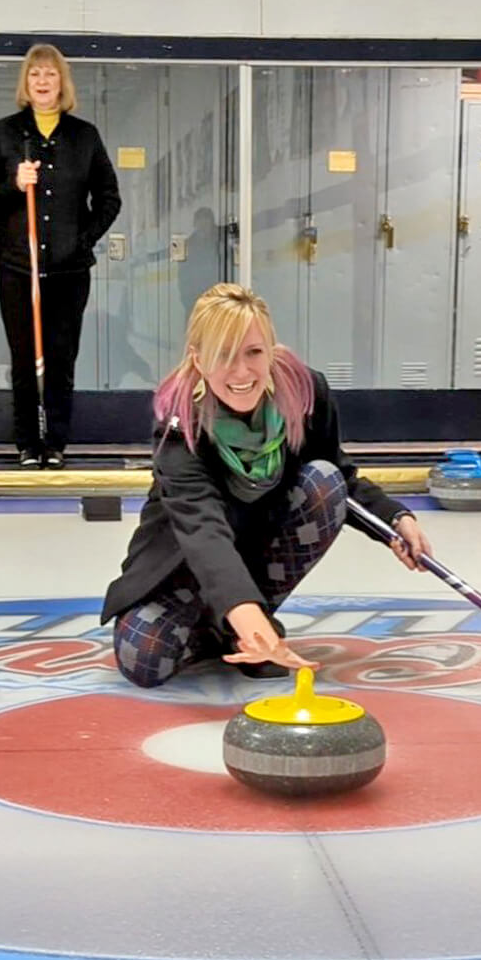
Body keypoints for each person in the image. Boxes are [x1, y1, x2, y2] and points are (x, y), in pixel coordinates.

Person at [101, 283, 432, 684]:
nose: (242, 372)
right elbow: (201, 529)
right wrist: (248, 621)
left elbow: (340, 475)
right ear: (198, 359)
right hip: (186, 562)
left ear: (271, 349)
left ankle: (239, 621)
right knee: (143, 659)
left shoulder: (305, 392)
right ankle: (235, 623)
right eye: (223, 355)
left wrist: (395, 520)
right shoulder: (178, 421)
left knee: (323, 481)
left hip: (257, 547)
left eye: (254, 352)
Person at [0, 43, 121, 469]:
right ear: (26, 82)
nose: (42, 81)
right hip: (17, 266)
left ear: (62, 82)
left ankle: (55, 443)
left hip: (69, 270)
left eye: (50, 74)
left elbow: (109, 198)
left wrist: (83, 239)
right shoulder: (6, 133)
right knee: (23, 357)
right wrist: (14, 185)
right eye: (35, 74)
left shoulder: (84, 136)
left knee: (60, 356)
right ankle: (27, 443)